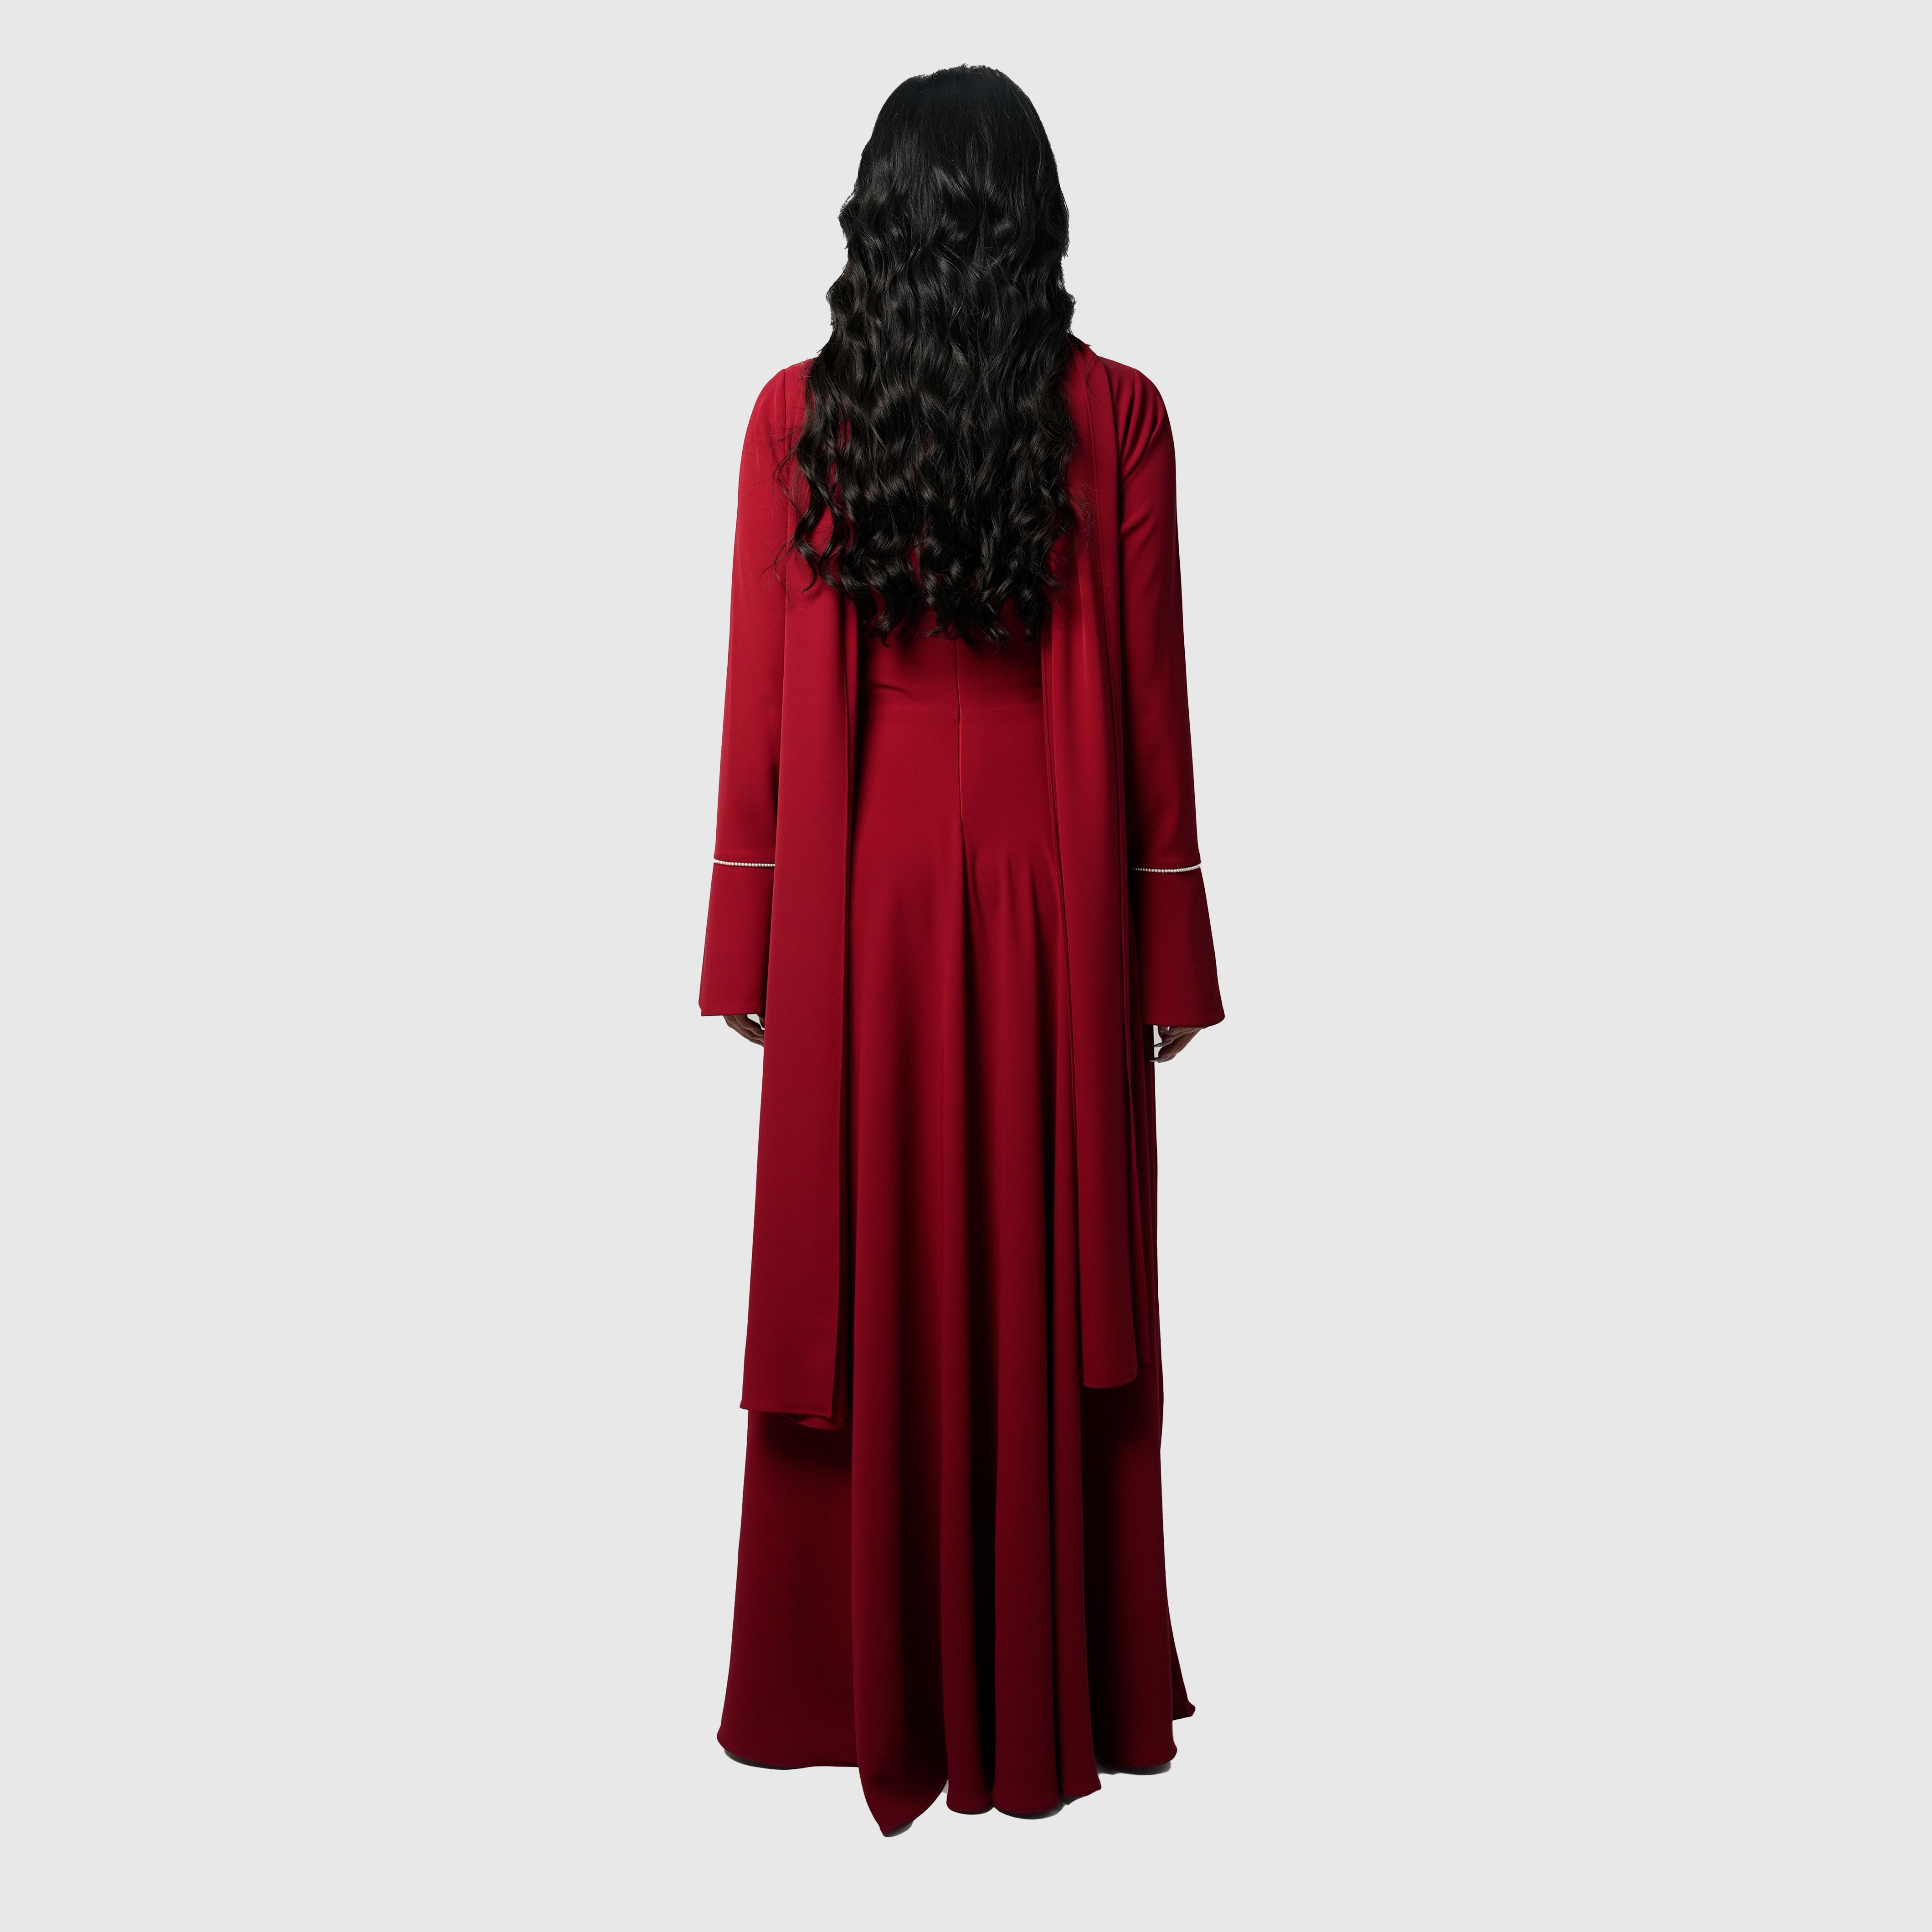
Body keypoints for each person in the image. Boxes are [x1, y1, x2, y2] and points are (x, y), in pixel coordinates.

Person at [698, 65, 1224, 1834]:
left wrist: (752, 933)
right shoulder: (1117, 415)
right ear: (1038, 220)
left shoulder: (795, 418)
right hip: (1052, 897)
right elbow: (1149, 707)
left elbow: (759, 708)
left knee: (867, 1267)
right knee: (1044, 1266)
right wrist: (1164, 949)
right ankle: (1041, 1687)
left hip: (863, 909)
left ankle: (861, 1684)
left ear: (877, 220)